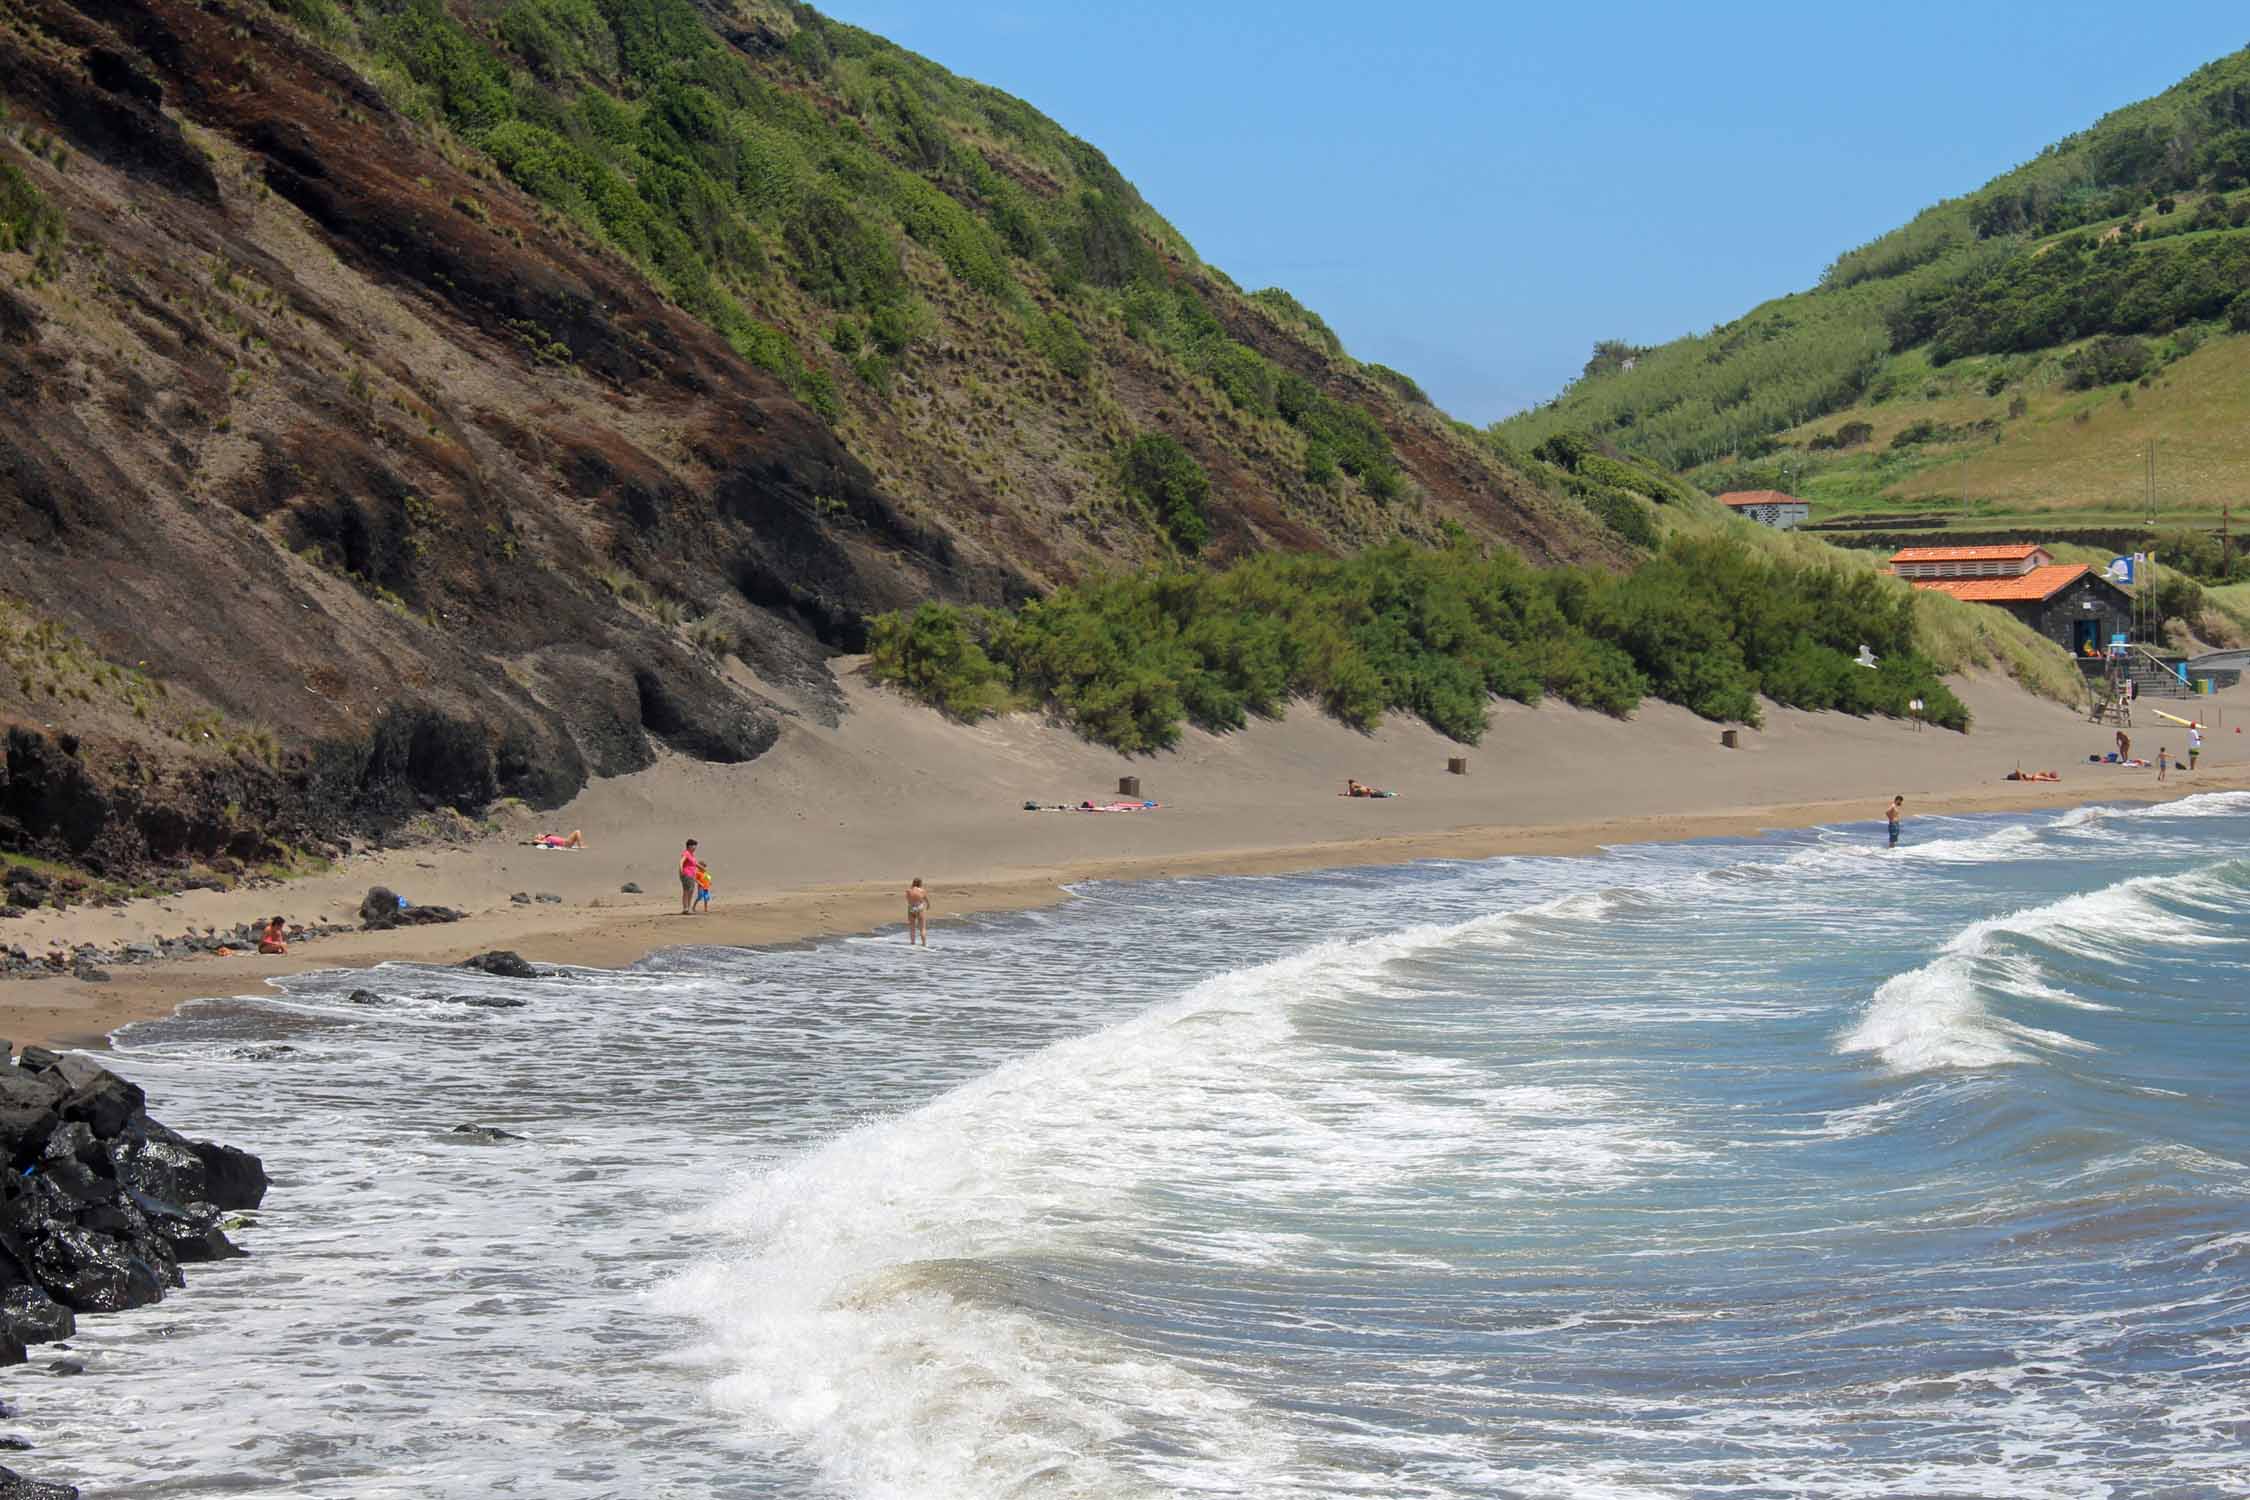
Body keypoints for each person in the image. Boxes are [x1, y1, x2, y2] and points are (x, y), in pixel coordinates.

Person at [679, 839, 701, 915]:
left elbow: (694, 863)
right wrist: (681, 869)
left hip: (691, 875)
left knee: (690, 891)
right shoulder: (686, 853)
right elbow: (681, 861)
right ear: (689, 846)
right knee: (688, 890)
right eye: (694, 846)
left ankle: (687, 908)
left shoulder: (691, 855)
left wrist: (701, 868)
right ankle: (686, 908)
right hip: (686, 874)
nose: (695, 848)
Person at [906, 876, 929, 946]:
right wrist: (928, 905)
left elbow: (908, 899)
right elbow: (925, 899)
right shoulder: (922, 890)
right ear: (920, 883)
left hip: (911, 908)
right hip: (919, 908)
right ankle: (924, 944)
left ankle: (912, 943)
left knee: (912, 928)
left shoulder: (908, 890)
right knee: (922, 928)